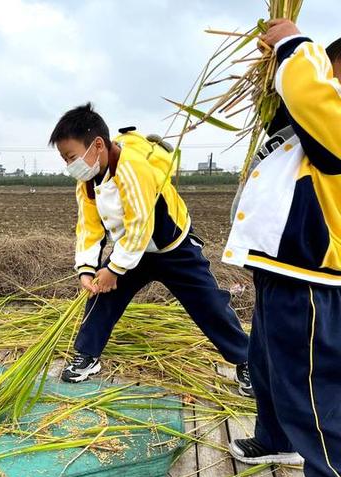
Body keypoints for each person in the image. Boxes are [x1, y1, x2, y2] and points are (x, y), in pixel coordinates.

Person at [48, 103, 252, 397]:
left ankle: (246, 360)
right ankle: (86, 356)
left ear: (97, 145)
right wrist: (88, 270)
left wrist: (114, 269)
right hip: (132, 252)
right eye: (65, 159)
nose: (70, 165)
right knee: (101, 298)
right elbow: (89, 227)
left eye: (71, 157)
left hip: (173, 247)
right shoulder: (87, 182)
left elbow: (141, 223)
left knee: (209, 303)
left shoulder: (132, 168)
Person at [225, 20, 341, 476]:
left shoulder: (334, 121)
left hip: (309, 277)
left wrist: (295, 44)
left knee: (312, 395)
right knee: (268, 364)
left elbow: (315, 100)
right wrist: (273, 75)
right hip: (279, 267)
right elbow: (294, 110)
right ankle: (276, 439)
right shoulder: (307, 127)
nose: (328, 85)